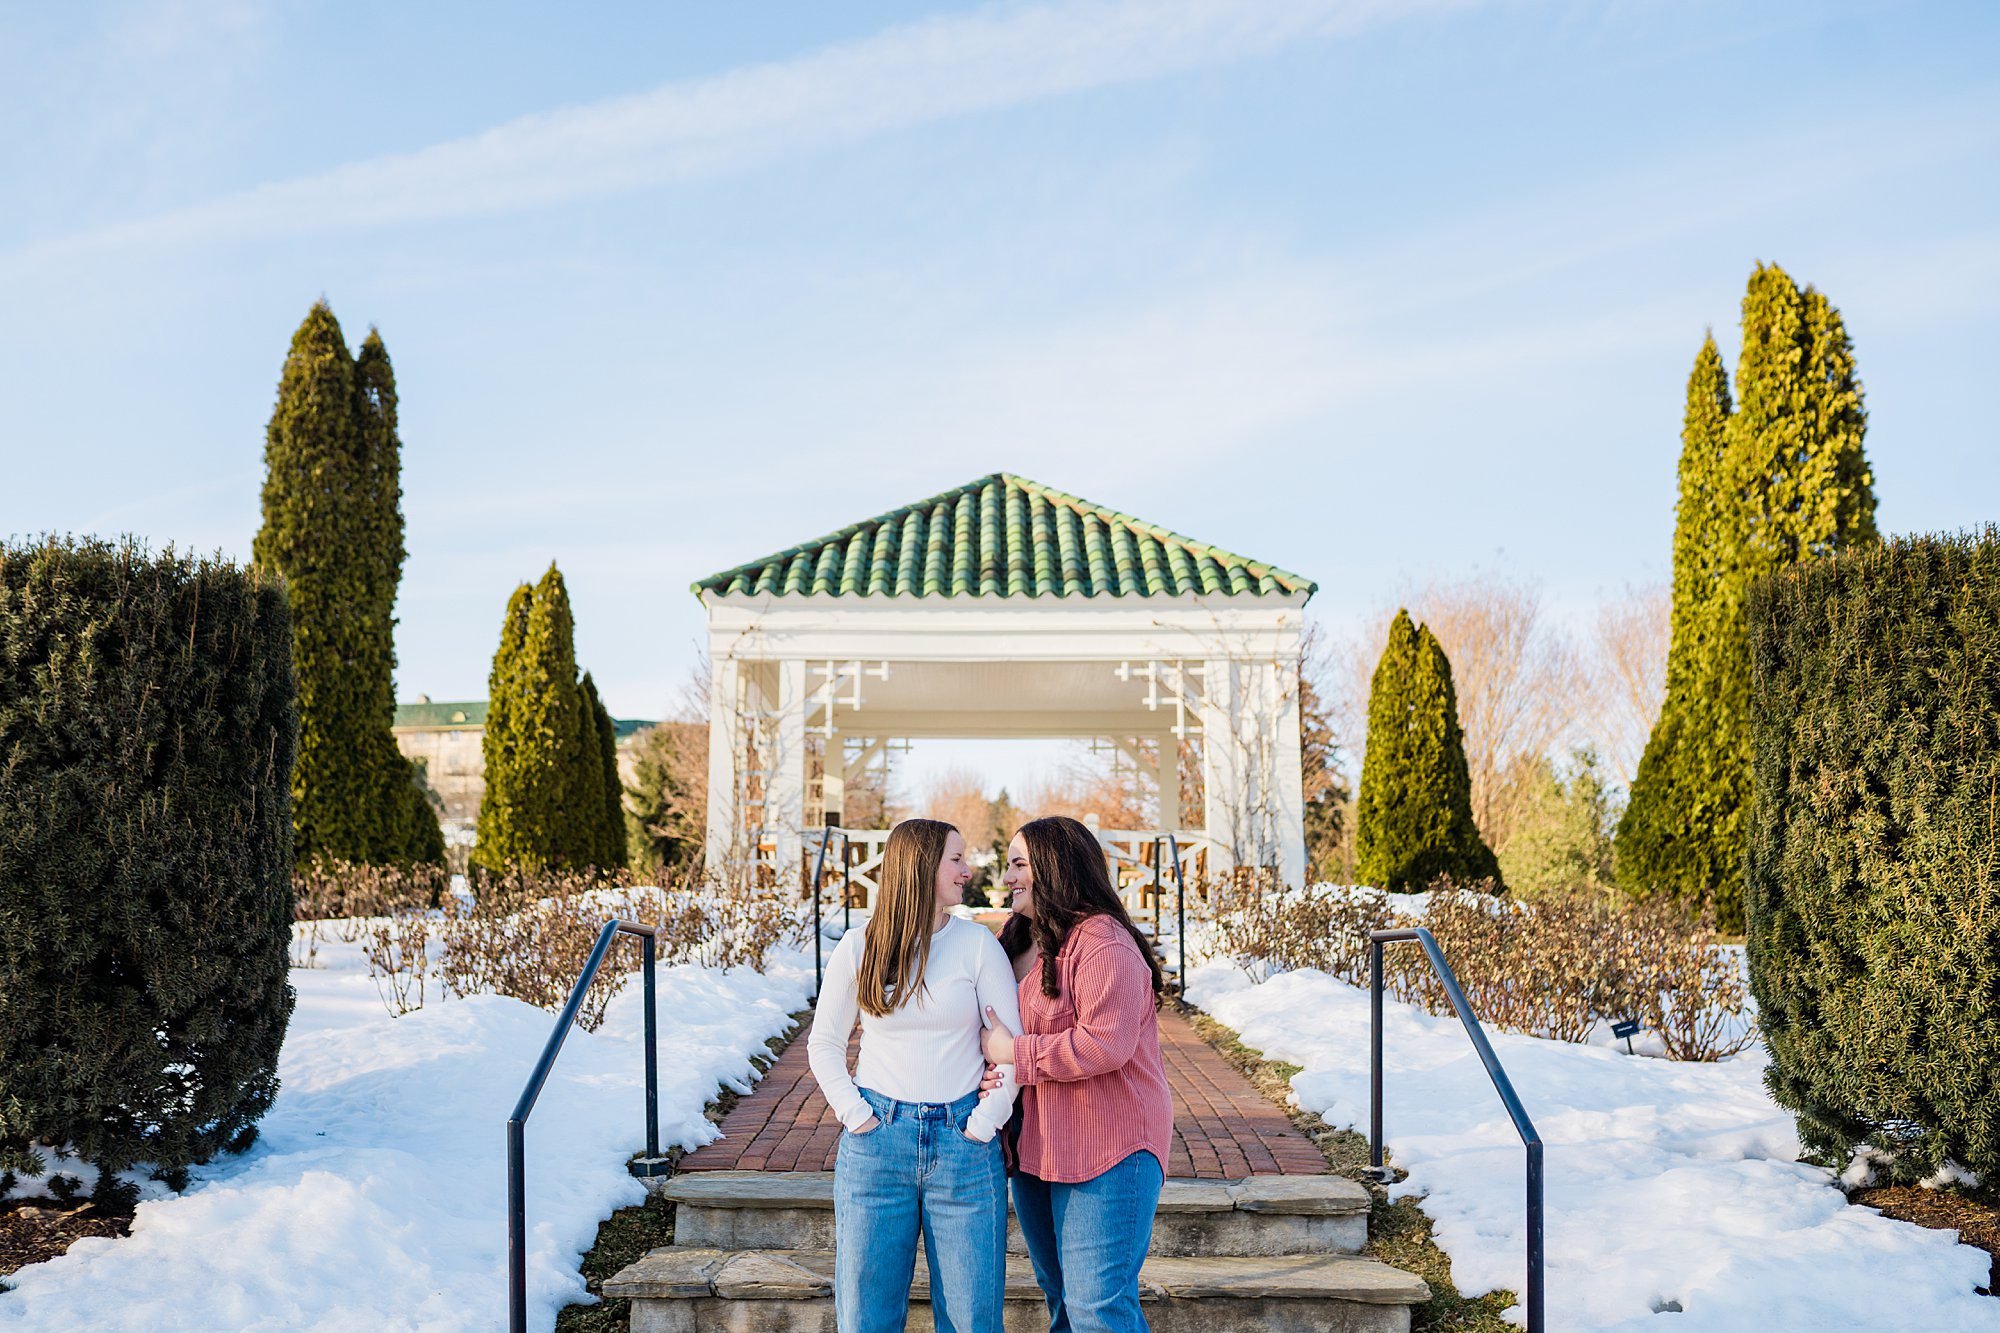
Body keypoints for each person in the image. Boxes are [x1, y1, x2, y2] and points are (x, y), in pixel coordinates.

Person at [807, 817, 1022, 1333]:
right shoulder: (860, 947)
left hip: (963, 1149)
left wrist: (984, 1123)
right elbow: (825, 1044)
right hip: (877, 1146)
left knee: (973, 1318)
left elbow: (1010, 1049)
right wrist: (857, 1115)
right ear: (921, 865)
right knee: (866, 1315)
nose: (967, 870)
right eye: (956, 858)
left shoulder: (977, 945)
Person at [980, 815, 1172, 1333]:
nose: (1006, 877)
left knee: (1097, 1306)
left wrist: (1013, 1052)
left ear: (1055, 866)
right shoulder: (1015, 938)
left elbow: (1104, 1045)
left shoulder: (1103, 944)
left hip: (1108, 1148)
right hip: (1036, 1148)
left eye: (1019, 864)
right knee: (1063, 1298)